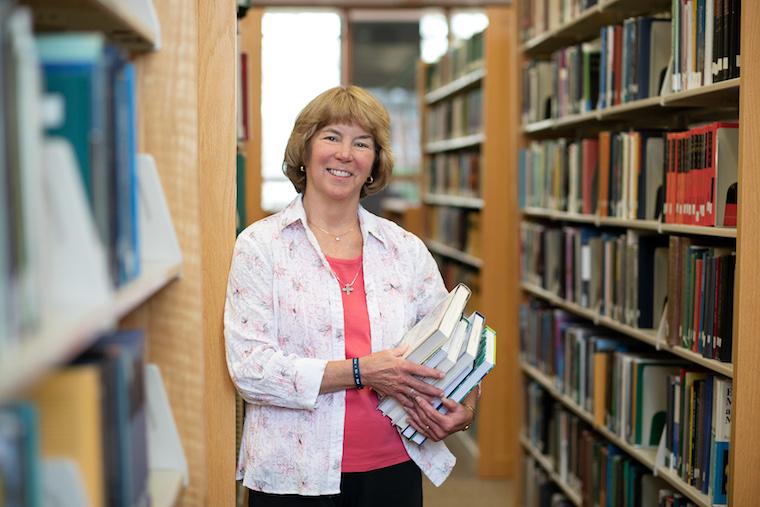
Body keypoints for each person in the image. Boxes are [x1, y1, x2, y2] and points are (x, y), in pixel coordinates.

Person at [224, 85, 480, 506]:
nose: (345, 154)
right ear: (304, 151)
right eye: (331, 137)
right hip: (294, 475)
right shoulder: (261, 246)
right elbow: (250, 369)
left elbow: (452, 347)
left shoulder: (405, 249)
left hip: (393, 468)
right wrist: (361, 371)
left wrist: (465, 408)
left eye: (362, 143)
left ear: (374, 162)